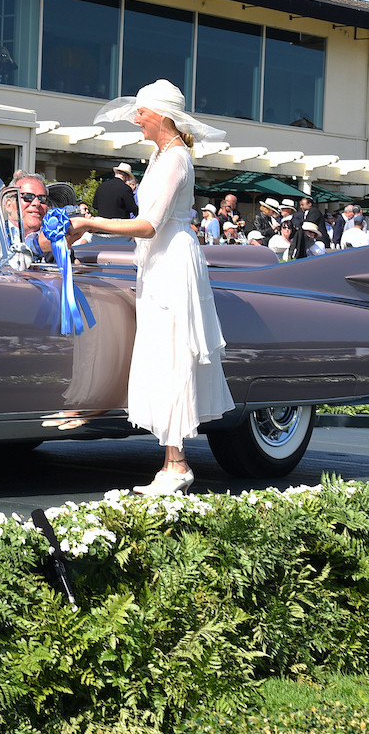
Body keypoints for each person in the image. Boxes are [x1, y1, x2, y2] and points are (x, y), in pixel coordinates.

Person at [66, 79, 234, 496]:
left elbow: (148, 224)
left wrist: (88, 223)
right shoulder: (161, 155)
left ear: (160, 115)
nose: (136, 119)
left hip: (172, 262)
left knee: (172, 355)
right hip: (158, 262)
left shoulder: (175, 158)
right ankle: (172, 461)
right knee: (162, 354)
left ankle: (176, 465)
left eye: (141, 112)